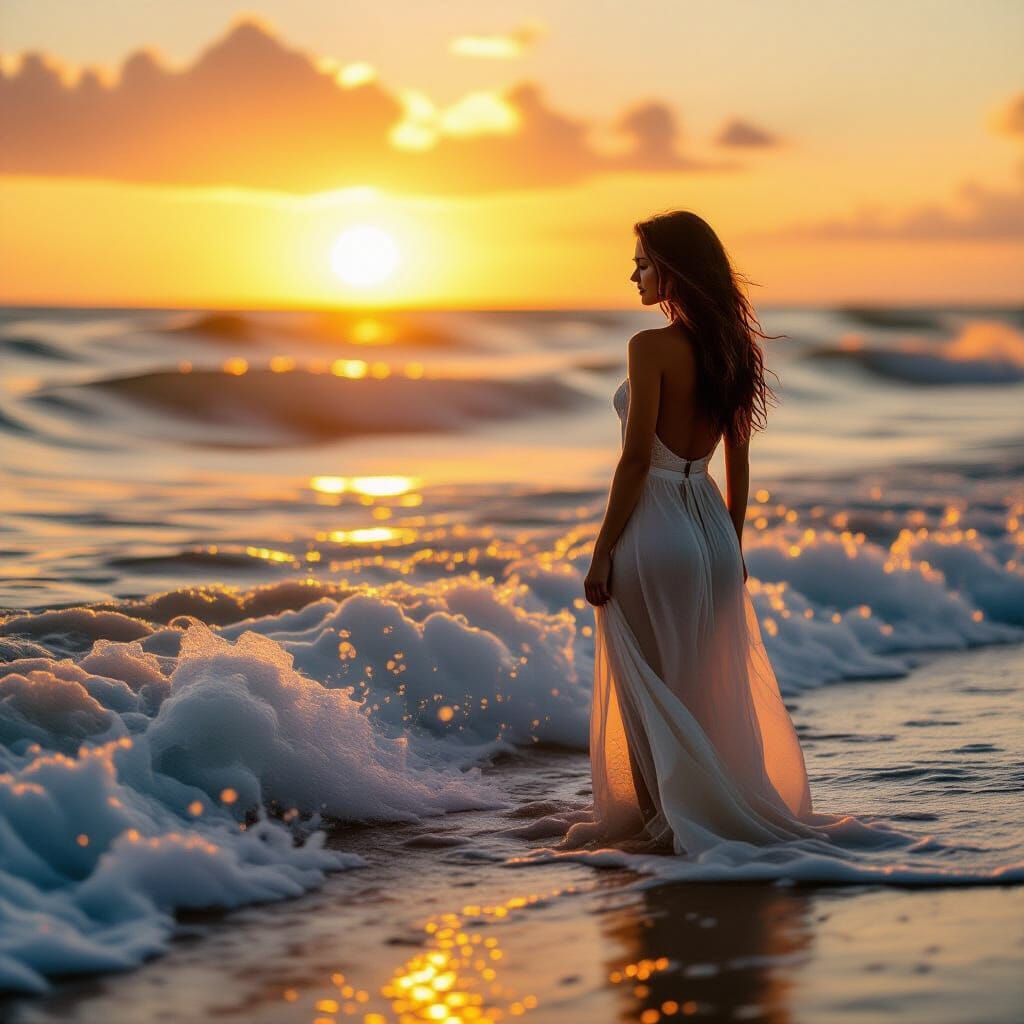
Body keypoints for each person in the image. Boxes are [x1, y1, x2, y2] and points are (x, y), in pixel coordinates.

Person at [566, 210, 851, 856]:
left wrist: (601, 552)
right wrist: (732, 545)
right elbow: (738, 463)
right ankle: (705, 817)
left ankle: (665, 834)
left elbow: (636, 461)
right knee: (703, 689)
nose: (634, 276)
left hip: (656, 529)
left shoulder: (648, 347)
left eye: (642, 264)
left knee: (648, 694)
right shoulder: (734, 350)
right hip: (713, 532)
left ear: (672, 269)